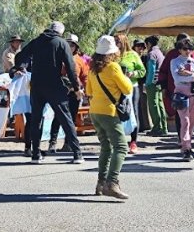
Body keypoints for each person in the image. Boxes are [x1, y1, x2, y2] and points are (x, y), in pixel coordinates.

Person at [15, 22, 84, 164]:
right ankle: (77, 154)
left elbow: (20, 56)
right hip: (54, 85)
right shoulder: (61, 43)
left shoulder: (36, 41)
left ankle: (35, 154)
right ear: (60, 32)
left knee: (36, 119)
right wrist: (76, 88)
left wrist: (21, 67)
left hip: (37, 85)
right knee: (65, 118)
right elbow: (70, 67)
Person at [85, 35, 132, 200]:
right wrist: (126, 77)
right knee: (121, 147)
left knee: (106, 147)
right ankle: (112, 183)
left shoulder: (92, 69)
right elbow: (127, 89)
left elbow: (89, 92)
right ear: (112, 53)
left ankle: (101, 182)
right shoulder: (113, 67)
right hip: (109, 112)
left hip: (95, 111)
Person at [48, 33, 89, 153]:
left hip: (75, 93)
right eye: (68, 44)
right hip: (60, 92)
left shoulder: (80, 61)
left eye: (72, 45)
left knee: (71, 118)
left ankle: (68, 143)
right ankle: (53, 142)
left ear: (76, 47)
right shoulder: (58, 58)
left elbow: (85, 77)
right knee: (58, 117)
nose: (70, 46)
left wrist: (85, 90)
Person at [170, 38, 194, 161]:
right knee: (184, 121)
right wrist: (193, 76)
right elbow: (177, 78)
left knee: (192, 122)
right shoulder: (174, 62)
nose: (188, 51)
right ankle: (186, 147)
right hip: (181, 95)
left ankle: (187, 142)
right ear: (179, 49)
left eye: (190, 49)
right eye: (185, 49)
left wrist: (187, 74)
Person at [115, 33, 146, 154]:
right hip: (117, 88)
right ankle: (120, 141)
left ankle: (133, 142)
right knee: (118, 113)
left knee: (133, 112)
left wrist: (133, 74)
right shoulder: (113, 55)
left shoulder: (133, 54)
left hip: (132, 87)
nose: (115, 43)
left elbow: (142, 71)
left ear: (123, 41)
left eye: (117, 40)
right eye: (114, 41)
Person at [144, 35, 167, 136]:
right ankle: (164, 127)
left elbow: (152, 70)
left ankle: (157, 127)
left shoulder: (152, 54)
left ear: (149, 44)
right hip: (160, 82)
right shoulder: (160, 53)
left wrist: (147, 83)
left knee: (153, 105)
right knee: (160, 104)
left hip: (152, 83)